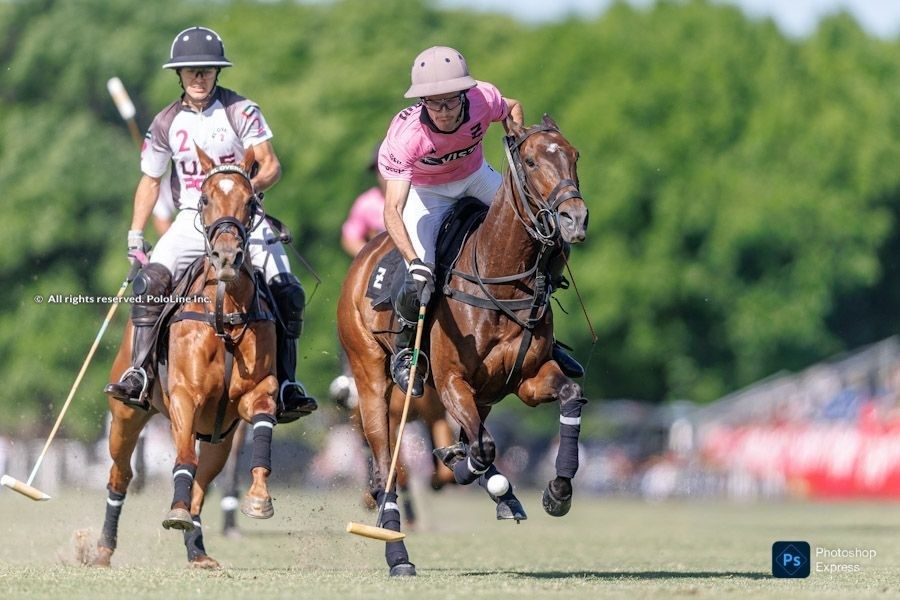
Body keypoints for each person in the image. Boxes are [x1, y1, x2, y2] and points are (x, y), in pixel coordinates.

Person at [104, 26, 316, 424]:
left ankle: (286, 383)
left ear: (217, 73)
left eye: (206, 70)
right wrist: (136, 235)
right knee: (149, 283)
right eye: (190, 71)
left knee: (289, 291)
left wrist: (240, 194)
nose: (198, 78)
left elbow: (270, 164)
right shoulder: (166, 122)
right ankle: (141, 373)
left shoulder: (242, 110)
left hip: (242, 219)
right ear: (179, 76)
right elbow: (151, 179)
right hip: (190, 219)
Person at [378, 45, 583, 397]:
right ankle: (407, 353)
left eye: (451, 102)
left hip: (475, 177)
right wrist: (414, 261)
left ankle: (544, 341)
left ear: (464, 94)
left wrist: (516, 137)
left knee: (548, 234)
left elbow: (513, 105)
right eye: (433, 103)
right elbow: (392, 210)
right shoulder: (406, 136)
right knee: (419, 281)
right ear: (423, 102)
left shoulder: (482, 98)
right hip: (428, 194)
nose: (443, 111)